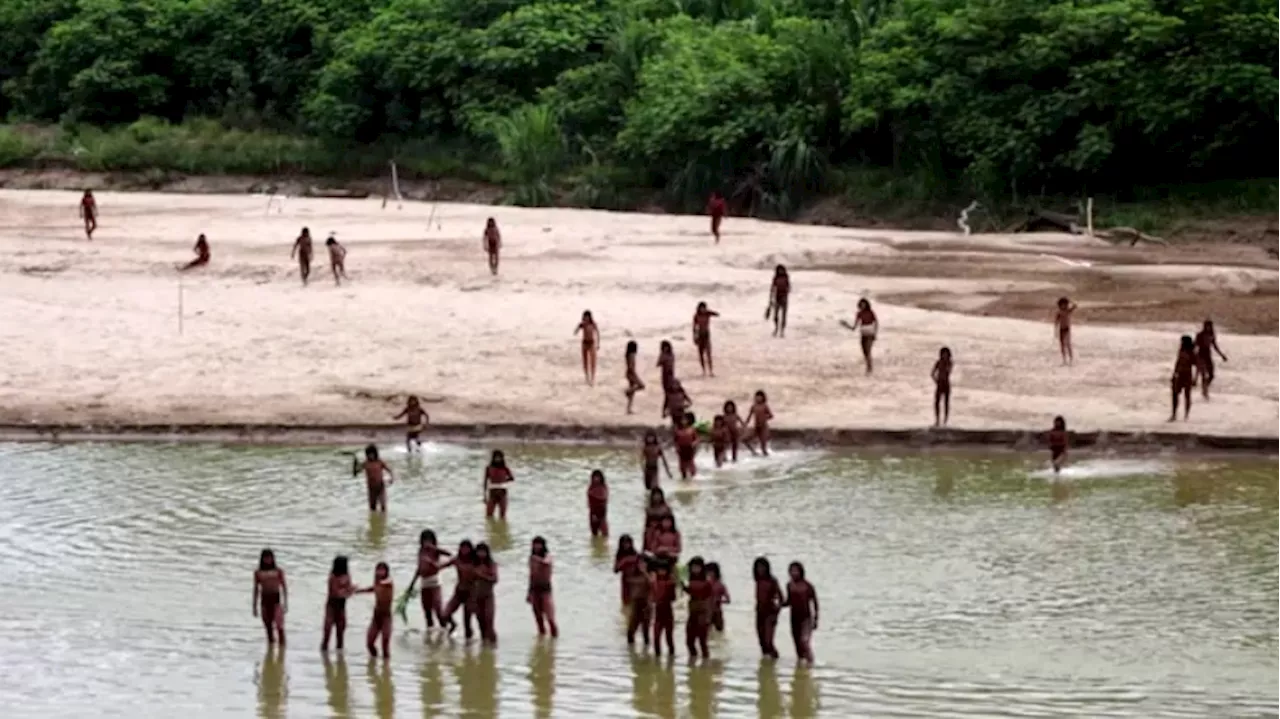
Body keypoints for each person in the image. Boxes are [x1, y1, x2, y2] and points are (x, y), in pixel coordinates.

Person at [407, 530, 453, 632]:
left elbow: (450, 554)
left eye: (429, 540)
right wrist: (412, 584)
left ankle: (447, 630)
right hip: (424, 583)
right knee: (427, 612)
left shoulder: (435, 551)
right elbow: (419, 569)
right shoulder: (420, 551)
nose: (426, 543)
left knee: (438, 610)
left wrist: (433, 549)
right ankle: (430, 636)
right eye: (424, 540)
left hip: (435, 582)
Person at [355, 562, 394, 658]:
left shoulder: (388, 583)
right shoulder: (377, 582)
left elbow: (387, 582)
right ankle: (374, 661)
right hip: (376, 616)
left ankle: (386, 667)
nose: (380, 572)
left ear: (387, 572)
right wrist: (359, 591)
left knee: (385, 643)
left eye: (382, 570)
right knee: (369, 643)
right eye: (378, 569)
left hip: (386, 616)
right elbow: (373, 588)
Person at [783, 562, 818, 664]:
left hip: (806, 618)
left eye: (796, 570)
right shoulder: (789, 585)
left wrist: (816, 618)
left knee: (804, 642)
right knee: (797, 645)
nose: (794, 573)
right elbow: (789, 601)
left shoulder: (807, 586)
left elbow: (815, 602)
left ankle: (811, 662)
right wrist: (778, 605)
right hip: (794, 618)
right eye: (792, 571)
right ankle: (801, 668)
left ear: (801, 571)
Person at [252, 549, 287, 645]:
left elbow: (284, 587)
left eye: (269, 558)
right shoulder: (258, 572)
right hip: (265, 600)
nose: (268, 560)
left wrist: (285, 603)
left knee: (279, 626)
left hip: (276, 600)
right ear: (262, 559)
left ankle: (282, 648)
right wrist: (254, 606)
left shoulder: (278, 571)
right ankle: (271, 649)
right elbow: (256, 589)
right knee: (268, 627)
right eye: (266, 558)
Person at [442, 540, 476, 639]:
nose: (464, 550)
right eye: (462, 548)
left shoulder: (475, 561)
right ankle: (453, 624)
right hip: (459, 592)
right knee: (445, 614)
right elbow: (443, 565)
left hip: (471, 594)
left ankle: (468, 648)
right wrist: (434, 566)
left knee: (467, 623)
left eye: (467, 548)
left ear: (471, 549)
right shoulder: (457, 560)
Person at [683, 557, 715, 660]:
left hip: (703, 613)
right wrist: (683, 587)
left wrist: (709, 618)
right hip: (692, 613)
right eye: (693, 567)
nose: (695, 569)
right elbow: (691, 592)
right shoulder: (690, 580)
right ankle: (693, 659)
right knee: (689, 641)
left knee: (702, 641)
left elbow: (710, 599)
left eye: (697, 567)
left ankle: (705, 662)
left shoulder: (707, 583)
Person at [753, 557, 784, 658]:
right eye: (758, 567)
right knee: (761, 641)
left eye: (762, 567)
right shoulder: (758, 580)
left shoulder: (772, 581)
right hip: (759, 612)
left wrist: (777, 610)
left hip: (770, 613)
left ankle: (775, 658)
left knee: (768, 641)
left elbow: (781, 598)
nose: (760, 569)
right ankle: (767, 664)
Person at [527, 536, 558, 638]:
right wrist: (529, 592)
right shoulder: (531, 558)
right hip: (535, 589)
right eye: (535, 544)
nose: (536, 546)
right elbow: (531, 575)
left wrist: (536, 559)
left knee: (550, 618)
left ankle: (554, 640)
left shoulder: (547, 556)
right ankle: (542, 640)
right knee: (538, 618)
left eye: (539, 544)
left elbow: (547, 562)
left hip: (545, 590)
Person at [622, 544, 652, 647]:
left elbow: (653, 584)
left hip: (646, 605)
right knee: (630, 632)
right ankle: (632, 655)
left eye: (644, 562)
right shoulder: (633, 574)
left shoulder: (651, 574)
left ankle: (647, 654)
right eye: (640, 562)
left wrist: (644, 572)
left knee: (645, 632)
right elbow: (626, 587)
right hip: (635, 605)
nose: (642, 564)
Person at [322, 555, 353, 651]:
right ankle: (324, 652)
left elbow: (347, 592)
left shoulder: (347, 576)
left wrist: (349, 591)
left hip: (341, 607)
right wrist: (349, 591)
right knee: (327, 631)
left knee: (340, 633)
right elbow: (335, 593)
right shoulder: (332, 577)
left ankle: (339, 656)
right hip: (331, 606)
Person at [841, 298, 879, 374]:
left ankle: (869, 369)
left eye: (863, 305)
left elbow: (876, 323)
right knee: (865, 352)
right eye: (861, 305)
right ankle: (869, 367)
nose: (862, 306)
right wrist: (846, 325)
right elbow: (854, 327)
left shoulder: (870, 312)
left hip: (870, 334)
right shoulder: (859, 313)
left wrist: (875, 333)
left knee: (868, 351)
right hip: (863, 334)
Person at [352, 445, 394, 513]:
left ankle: (382, 520)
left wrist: (392, 478)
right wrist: (354, 464)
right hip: (371, 488)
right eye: (368, 454)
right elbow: (355, 473)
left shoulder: (380, 462)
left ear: (375, 454)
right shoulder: (365, 463)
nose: (370, 456)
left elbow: (390, 470)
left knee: (383, 506)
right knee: (372, 508)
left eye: (372, 454)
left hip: (381, 487)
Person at [472, 542, 500, 645]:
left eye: (483, 552)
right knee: (481, 624)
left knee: (489, 622)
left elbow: (495, 579)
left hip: (488, 597)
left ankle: (493, 646)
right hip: (476, 598)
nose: (481, 554)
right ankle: (484, 646)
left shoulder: (491, 564)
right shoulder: (473, 564)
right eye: (479, 551)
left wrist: (482, 576)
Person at [651, 559, 678, 657]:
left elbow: (673, 598)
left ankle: (671, 658)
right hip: (658, 615)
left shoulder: (670, 583)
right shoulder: (654, 582)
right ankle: (657, 660)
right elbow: (653, 598)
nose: (661, 572)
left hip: (668, 614)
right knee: (656, 638)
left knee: (669, 638)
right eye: (660, 570)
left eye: (663, 570)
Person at [1194, 319, 1228, 400]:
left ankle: (1205, 388)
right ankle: (1205, 392)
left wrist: (1222, 355)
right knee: (1203, 375)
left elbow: (1215, 346)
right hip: (1200, 356)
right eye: (1207, 326)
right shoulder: (1200, 335)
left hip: (1208, 356)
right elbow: (1195, 346)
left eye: (1209, 326)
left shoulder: (1211, 335)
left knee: (1212, 375)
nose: (1208, 327)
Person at [1171, 335, 1199, 422]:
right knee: (1175, 395)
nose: (1181, 343)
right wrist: (1174, 374)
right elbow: (1178, 362)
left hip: (1187, 375)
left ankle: (1186, 416)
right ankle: (1174, 414)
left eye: (1182, 341)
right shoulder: (1181, 350)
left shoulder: (1192, 353)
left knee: (1187, 396)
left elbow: (1197, 365)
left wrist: (1195, 378)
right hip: (1179, 374)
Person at [483, 450, 514, 519]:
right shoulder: (489, 468)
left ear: (502, 458)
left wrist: (503, 481)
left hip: (502, 493)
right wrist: (484, 495)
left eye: (499, 457)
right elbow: (485, 482)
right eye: (496, 457)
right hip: (492, 493)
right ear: (493, 458)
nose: (498, 459)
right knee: (489, 515)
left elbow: (512, 478)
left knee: (502, 516)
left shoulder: (505, 468)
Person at [692, 302, 720, 377]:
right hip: (700, 336)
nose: (703, 309)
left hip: (707, 335)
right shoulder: (696, 316)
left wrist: (710, 312)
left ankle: (711, 371)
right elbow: (694, 328)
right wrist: (694, 337)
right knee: (701, 354)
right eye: (702, 308)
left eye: (704, 308)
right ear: (699, 308)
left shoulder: (707, 314)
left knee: (708, 354)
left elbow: (717, 314)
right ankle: (703, 371)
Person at [743, 390, 774, 456]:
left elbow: (771, 416)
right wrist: (745, 423)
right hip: (756, 428)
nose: (758, 398)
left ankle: (766, 459)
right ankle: (753, 452)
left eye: (760, 397)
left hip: (764, 428)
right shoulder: (753, 406)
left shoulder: (765, 406)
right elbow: (749, 416)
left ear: (763, 398)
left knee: (763, 448)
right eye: (757, 397)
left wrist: (765, 418)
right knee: (745, 440)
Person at [614, 534, 640, 609]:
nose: (626, 545)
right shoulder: (619, 555)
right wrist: (624, 561)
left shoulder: (636, 554)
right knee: (625, 602)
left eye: (627, 543)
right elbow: (615, 570)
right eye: (624, 543)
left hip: (635, 580)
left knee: (635, 602)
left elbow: (641, 568)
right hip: (625, 580)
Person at [643, 487, 673, 553]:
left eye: (658, 495)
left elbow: (672, 522)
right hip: (651, 532)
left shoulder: (666, 509)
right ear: (652, 496)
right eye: (655, 495)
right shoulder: (648, 509)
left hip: (663, 531)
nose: (657, 497)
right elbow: (647, 524)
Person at [574, 311, 600, 386]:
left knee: (593, 361)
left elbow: (598, 333)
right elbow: (576, 331)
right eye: (585, 317)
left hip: (591, 343)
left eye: (587, 317)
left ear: (590, 317)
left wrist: (598, 344)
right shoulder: (583, 324)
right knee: (585, 361)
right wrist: (578, 328)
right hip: (584, 343)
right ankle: (586, 377)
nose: (586, 318)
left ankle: (592, 378)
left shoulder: (593, 324)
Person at [932, 347, 953, 427]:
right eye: (943, 354)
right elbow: (932, 373)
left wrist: (946, 365)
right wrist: (936, 380)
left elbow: (949, 371)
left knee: (946, 403)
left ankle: (945, 421)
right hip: (940, 383)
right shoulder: (938, 362)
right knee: (937, 402)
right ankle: (937, 420)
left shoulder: (949, 363)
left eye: (946, 354)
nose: (945, 355)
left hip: (946, 384)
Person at [673, 412, 699, 478]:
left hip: (689, 448)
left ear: (688, 420)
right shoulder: (677, 430)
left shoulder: (692, 429)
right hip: (681, 449)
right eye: (682, 420)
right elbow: (675, 440)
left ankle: (694, 476)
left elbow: (697, 439)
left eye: (685, 420)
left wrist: (694, 444)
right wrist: (676, 448)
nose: (683, 421)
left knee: (691, 463)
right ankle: (684, 477)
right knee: (682, 466)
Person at [767, 265, 790, 337]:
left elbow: (788, 287)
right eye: (779, 270)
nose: (781, 271)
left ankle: (782, 330)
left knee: (783, 316)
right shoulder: (775, 278)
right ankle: (776, 328)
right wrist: (771, 298)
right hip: (777, 297)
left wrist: (786, 293)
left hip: (784, 298)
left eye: (781, 270)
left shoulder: (786, 277)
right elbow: (772, 288)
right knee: (776, 316)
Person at [706, 561, 730, 633]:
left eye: (710, 572)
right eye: (708, 572)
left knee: (720, 632)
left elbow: (728, 600)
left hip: (717, 613)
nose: (709, 574)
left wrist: (719, 601)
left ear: (716, 572)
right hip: (708, 612)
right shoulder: (706, 584)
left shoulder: (720, 585)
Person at [1054, 297, 1077, 365]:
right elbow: (1056, 322)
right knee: (1062, 345)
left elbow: (1075, 305)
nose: (1063, 305)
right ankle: (1064, 360)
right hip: (1061, 330)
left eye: (1064, 304)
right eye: (1062, 304)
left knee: (1068, 344)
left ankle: (1071, 359)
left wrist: (1070, 301)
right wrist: (1055, 330)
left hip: (1067, 329)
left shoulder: (1068, 310)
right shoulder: (1059, 312)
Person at [624, 341, 645, 414]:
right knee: (642, 386)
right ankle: (628, 391)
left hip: (629, 373)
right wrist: (633, 373)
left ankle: (628, 409)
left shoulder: (627, 354)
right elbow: (631, 365)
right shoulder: (632, 355)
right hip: (631, 373)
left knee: (632, 394)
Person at [587, 469, 609, 537]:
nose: (596, 479)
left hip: (602, 513)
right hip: (593, 512)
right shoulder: (591, 488)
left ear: (601, 478)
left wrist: (602, 516)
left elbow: (605, 502)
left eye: (598, 477)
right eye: (594, 477)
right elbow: (590, 503)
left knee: (605, 534)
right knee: (594, 534)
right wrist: (593, 514)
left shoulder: (604, 487)